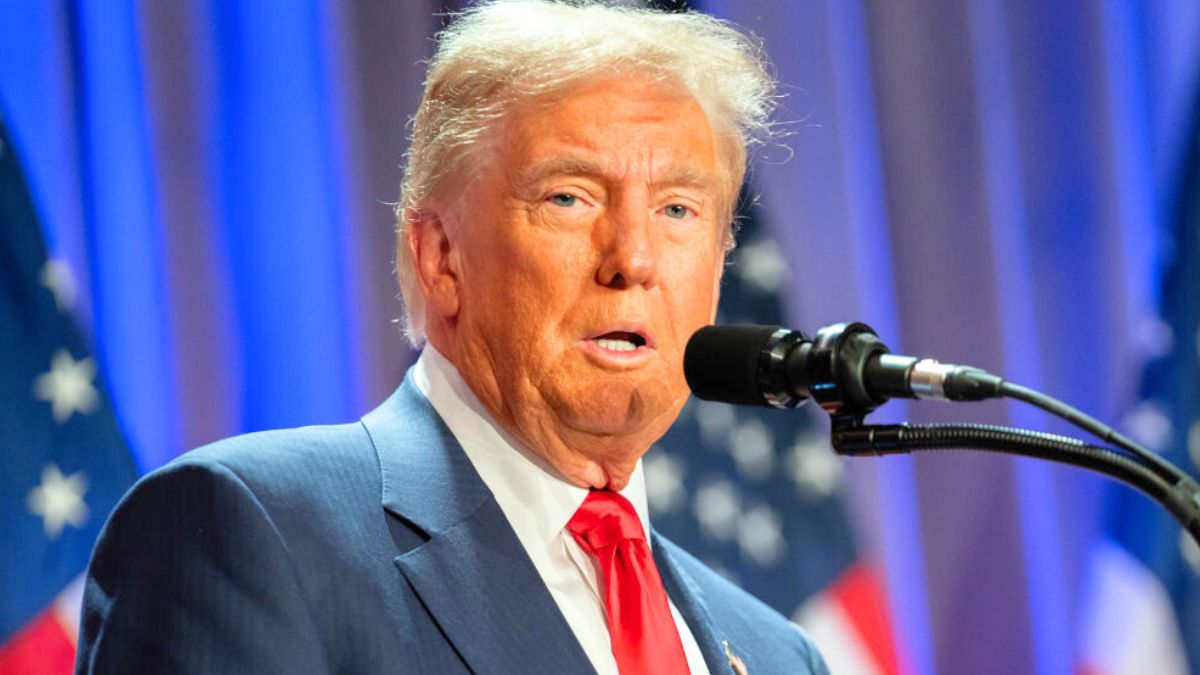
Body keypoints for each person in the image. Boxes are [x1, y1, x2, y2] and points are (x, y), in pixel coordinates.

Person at [75, 1, 830, 673]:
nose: (632, 258)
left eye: (677, 209)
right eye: (569, 197)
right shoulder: (249, 536)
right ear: (442, 258)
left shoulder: (774, 652)